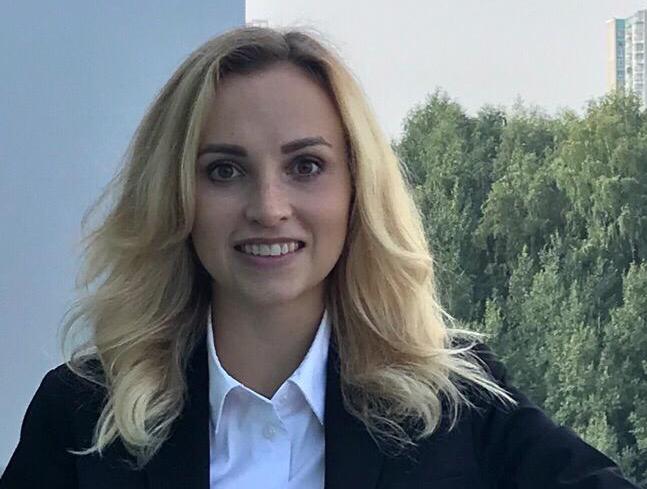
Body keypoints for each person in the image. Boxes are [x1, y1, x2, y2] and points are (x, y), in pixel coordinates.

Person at [0, 26, 639, 489]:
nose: (269, 207)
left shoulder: (455, 403)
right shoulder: (80, 414)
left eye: (306, 166)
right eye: (224, 170)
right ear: (174, 196)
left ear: (358, 189)